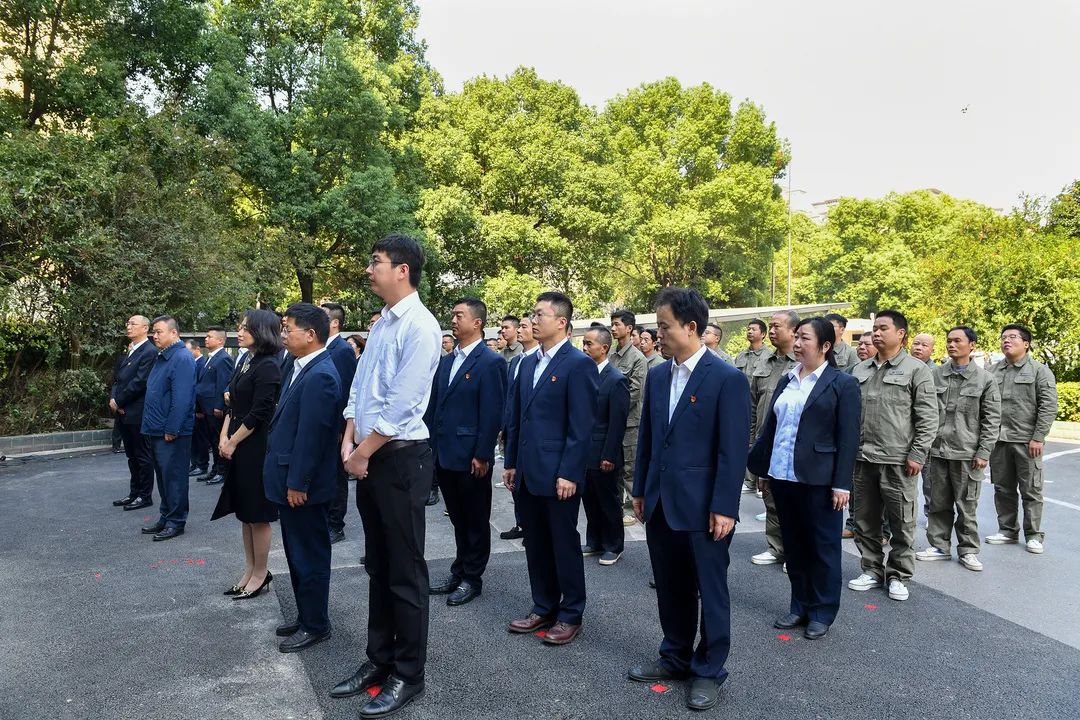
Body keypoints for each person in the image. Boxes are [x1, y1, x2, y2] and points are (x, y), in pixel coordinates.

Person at [628, 287, 750, 711]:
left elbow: (732, 451)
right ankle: (675, 656)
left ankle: (708, 670)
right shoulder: (659, 375)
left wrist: (725, 507)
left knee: (710, 591)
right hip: (662, 502)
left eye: (664, 327)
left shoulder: (727, 378)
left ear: (691, 327)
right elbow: (648, 438)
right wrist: (640, 489)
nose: (657, 334)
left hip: (704, 508)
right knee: (671, 585)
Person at [335, 234, 441, 718]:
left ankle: (408, 673)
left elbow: (403, 403)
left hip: (399, 459)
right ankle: (378, 659)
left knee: (405, 569)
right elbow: (361, 386)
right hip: (368, 453)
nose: (369, 269)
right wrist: (349, 436)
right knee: (378, 565)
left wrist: (362, 452)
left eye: (375, 262)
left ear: (402, 270)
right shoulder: (381, 325)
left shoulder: (421, 326)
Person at [748, 317, 861, 639]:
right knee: (795, 546)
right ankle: (799, 605)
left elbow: (848, 438)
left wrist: (841, 484)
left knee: (822, 548)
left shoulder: (842, 384)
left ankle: (822, 611)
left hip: (820, 480)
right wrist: (765, 469)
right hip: (783, 475)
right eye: (796, 337)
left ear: (825, 345)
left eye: (805, 338)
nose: (797, 344)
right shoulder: (787, 379)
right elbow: (773, 428)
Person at [503, 291, 598, 647]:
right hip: (528, 470)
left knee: (563, 543)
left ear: (561, 322)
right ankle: (543, 606)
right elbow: (517, 418)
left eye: (539, 314)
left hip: (559, 474)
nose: (533, 319)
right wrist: (512, 462)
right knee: (536, 542)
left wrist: (570, 472)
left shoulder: (578, 364)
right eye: (532, 313)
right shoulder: (527, 363)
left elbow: (581, 426)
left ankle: (571, 613)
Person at [264, 303, 342, 652]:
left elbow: (313, 437)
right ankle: (306, 615)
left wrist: (299, 482)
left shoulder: (321, 374)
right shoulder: (299, 366)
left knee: (310, 555)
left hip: (303, 486)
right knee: (297, 554)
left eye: (288, 328)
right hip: (291, 480)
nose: (283, 334)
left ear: (310, 335)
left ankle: (316, 624)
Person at [848, 310, 938, 601]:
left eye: (883, 328)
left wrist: (917, 453)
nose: (876, 333)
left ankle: (899, 575)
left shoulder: (916, 370)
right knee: (865, 520)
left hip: (898, 461)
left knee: (902, 522)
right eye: (874, 328)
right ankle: (872, 569)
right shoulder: (859, 370)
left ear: (901, 334)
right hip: (862, 459)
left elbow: (928, 417)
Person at [425, 298, 506, 606]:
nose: (453, 320)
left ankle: (472, 577)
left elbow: (492, 412)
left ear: (477, 323)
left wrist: (483, 454)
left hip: (471, 456)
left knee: (475, 519)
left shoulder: (490, 362)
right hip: (445, 453)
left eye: (460, 315)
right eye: (453, 315)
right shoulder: (447, 361)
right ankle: (459, 570)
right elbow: (435, 407)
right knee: (458, 518)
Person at [915, 326, 1001, 571]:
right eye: (949, 341)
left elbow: (992, 419)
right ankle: (939, 546)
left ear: (972, 345)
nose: (952, 345)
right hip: (937, 451)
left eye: (957, 341)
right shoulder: (934, 375)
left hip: (967, 453)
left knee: (967, 505)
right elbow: (922, 412)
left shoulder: (985, 379)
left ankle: (968, 550)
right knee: (938, 502)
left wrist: (984, 451)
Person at [212, 310, 284, 598]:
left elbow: (259, 413)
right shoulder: (246, 361)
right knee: (245, 512)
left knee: (257, 513)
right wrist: (224, 436)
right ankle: (250, 570)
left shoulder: (269, 366)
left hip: (256, 447)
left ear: (262, 331)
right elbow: (234, 404)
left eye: (245, 328)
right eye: (239, 327)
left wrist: (232, 441)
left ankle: (261, 573)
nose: (239, 332)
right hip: (238, 442)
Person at [987, 324, 1058, 554]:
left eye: (1012, 337)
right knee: (1003, 488)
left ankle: (1033, 535)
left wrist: (1038, 437)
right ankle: (1007, 530)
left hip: (1027, 441)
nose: (1006, 340)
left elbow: (1048, 406)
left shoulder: (1039, 371)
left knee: (1031, 490)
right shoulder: (993, 371)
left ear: (1026, 344)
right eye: (1003, 337)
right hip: (999, 440)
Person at [749, 311, 800, 565]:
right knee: (770, 496)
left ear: (793, 331)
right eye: (769, 326)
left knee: (795, 502)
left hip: (793, 443)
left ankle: (795, 554)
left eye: (777, 326)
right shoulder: (764, 362)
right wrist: (752, 441)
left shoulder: (802, 362)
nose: (771, 331)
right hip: (766, 440)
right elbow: (752, 405)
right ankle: (776, 547)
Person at [140, 316, 197, 542]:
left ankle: (176, 521)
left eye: (159, 332)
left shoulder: (181, 357)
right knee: (164, 478)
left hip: (171, 432)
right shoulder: (164, 356)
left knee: (174, 478)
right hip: (157, 428)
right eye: (153, 332)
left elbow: (181, 399)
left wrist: (172, 428)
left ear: (174, 333)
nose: (155, 336)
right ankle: (166, 517)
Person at [580, 325, 630, 565]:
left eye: (589, 344)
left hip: (604, 451)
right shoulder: (583, 375)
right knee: (589, 498)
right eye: (584, 343)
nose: (584, 348)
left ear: (604, 348)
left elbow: (617, 422)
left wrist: (609, 455)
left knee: (608, 501)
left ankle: (613, 545)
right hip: (584, 450)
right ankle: (595, 540)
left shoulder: (616, 379)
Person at [322, 302, 361, 546]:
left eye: (322, 316)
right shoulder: (321, 347)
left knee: (337, 476)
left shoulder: (343, 350)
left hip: (336, 427)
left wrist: (342, 429)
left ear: (335, 322)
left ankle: (336, 524)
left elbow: (346, 392)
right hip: (321, 424)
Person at [499, 314, 541, 541]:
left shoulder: (540, 360)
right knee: (513, 479)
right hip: (512, 429)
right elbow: (510, 397)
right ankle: (521, 522)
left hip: (530, 434)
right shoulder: (516, 361)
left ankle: (531, 525)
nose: (521, 330)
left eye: (525, 326)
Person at [110, 316, 158, 510]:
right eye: (127, 324)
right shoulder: (132, 350)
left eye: (133, 324)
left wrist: (119, 401)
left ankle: (145, 496)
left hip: (137, 411)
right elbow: (118, 379)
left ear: (145, 328)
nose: (128, 327)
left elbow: (140, 382)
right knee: (131, 456)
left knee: (142, 455)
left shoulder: (149, 351)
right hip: (123, 411)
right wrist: (114, 399)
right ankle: (134, 492)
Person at [608, 309, 647, 528]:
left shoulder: (637, 358)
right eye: (612, 325)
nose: (613, 328)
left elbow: (634, 392)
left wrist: (611, 409)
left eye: (617, 324)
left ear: (629, 328)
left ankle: (631, 509)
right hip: (612, 421)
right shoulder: (612, 356)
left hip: (629, 422)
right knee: (614, 467)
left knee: (630, 468)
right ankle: (617, 507)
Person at [194, 327, 234, 485]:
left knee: (218, 440)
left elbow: (223, 383)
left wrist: (219, 406)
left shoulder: (223, 358)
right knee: (211, 440)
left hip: (214, 407)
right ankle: (215, 469)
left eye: (209, 336)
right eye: (206, 336)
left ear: (220, 340)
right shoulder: (210, 358)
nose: (206, 339)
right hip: (206, 407)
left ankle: (222, 471)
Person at [186, 340, 209, 476]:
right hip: (192, 408)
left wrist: (199, 409)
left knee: (201, 439)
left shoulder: (202, 363)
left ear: (196, 349)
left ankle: (201, 464)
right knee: (194, 438)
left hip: (199, 408)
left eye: (188, 351)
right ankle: (195, 463)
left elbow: (200, 388)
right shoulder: (192, 363)